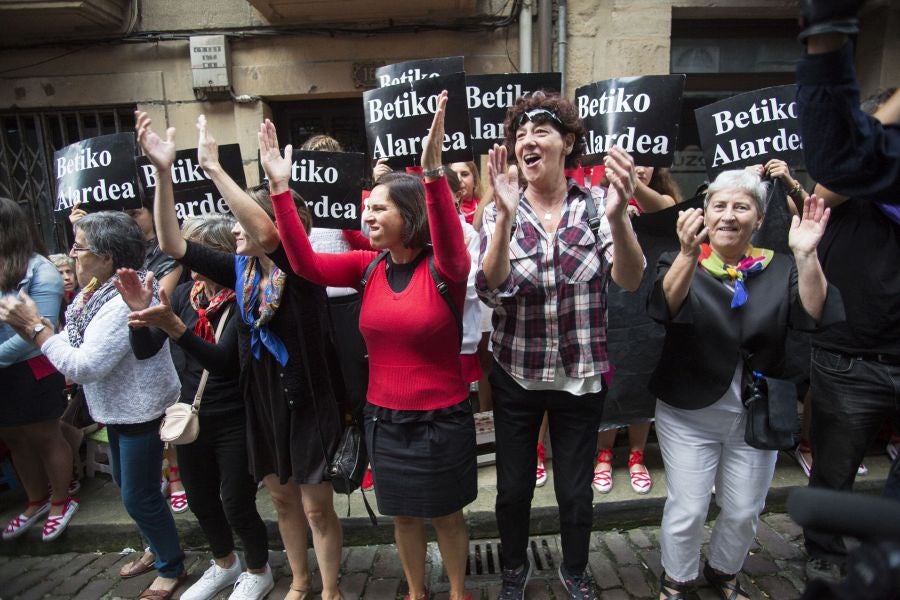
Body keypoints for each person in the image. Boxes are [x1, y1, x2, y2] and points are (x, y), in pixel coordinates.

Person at [265, 91, 476, 600]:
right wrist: (279, 191)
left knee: (447, 515)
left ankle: (456, 592)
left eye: (380, 208)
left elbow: (449, 235)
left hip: (441, 419)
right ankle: (416, 592)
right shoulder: (368, 268)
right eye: (368, 208)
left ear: (410, 214)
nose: (368, 216)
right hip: (386, 418)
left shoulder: (445, 268)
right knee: (402, 515)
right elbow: (305, 266)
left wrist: (431, 176)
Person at [136, 110, 344, 600]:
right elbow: (171, 242)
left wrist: (215, 169)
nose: (233, 230)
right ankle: (299, 580)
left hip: (308, 402)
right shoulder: (242, 272)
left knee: (316, 507)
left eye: (240, 221)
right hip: (264, 401)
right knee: (281, 500)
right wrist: (165, 174)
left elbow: (271, 237)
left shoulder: (301, 268)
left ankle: (330, 590)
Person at [476, 91, 645, 600]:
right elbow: (490, 286)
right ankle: (512, 569)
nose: (528, 142)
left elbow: (631, 279)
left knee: (575, 491)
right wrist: (503, 219)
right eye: (520, 135)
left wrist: (618, 217)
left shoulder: (596, 208)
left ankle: (574, 569)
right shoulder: (500, 207)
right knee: (513, 489)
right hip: (517, 374)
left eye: (541, 132)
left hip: (580, 377)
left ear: (567, 143)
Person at [648, 170, 842, 600]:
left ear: (758, 219)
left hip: (757, 415)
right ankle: (676, 578)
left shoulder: (780, 267)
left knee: (742, 510)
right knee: (688, 508)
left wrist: (808, 255)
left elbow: (815, 312)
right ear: (705, 213)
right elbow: (664, 306)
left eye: (741, 207)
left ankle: (723, 570)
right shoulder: (682, 260)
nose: (729, 216)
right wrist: (684, 252)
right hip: (689, 412)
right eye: (719, 205)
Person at [0, 210, 185, 599]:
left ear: (107, 258)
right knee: (129, 486)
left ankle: (171, 565)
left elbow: (83, 365)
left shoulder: (119, 301)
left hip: (139, 410)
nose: (72, 253)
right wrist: (48, 335)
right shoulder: (93, 292)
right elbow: (72, 340)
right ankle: (158, 545)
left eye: (80, 247)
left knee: (139, 494)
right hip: (117, 409)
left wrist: (37, 331)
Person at [120, 214, 272, 600]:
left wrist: (175, 327)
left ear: (220, 255)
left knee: (236, 501)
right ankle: (224, 563)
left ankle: (258, 568)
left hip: (235, 418)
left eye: (198, 255)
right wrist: (138, 316)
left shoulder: (245, 298)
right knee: (201, 500)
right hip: (189, 418)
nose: (192, 268)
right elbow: (146, 349)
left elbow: (223, 362)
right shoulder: (187, 296)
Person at [795, 22, 900, 582]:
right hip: (851, 356)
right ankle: (825, 553)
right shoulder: (852, 182)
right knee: (835, 468)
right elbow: (830, 180)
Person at [593, 164, 683, 497]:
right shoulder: (597, 198)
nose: (640, 167)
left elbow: (668, 209)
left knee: (643, 374)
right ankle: (603, 455)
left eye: (645, 160)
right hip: (610, 304)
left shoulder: (662, 199)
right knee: (611, 376)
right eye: (632, 160)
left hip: (650, 304)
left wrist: (632, 189)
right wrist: (617, 209)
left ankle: (636, 455)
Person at [0, 198, 74, 543]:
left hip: (33, 366)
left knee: (45, 436)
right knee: (14, 437)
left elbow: (37, 331)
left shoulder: (40, 270)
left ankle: (61, 500)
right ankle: (36, 501)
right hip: (4, 370)